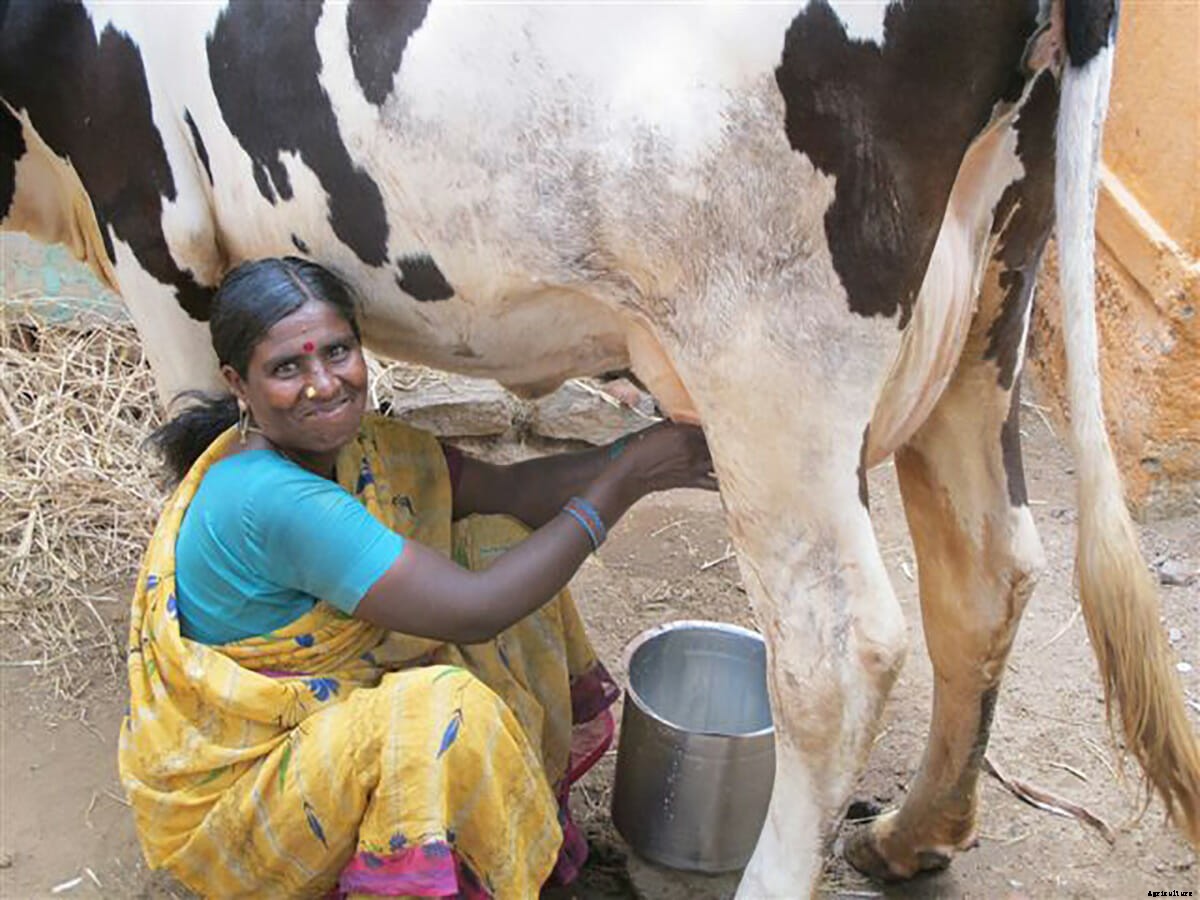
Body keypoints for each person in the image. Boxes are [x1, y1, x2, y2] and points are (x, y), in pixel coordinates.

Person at [118, 256, 717, 898]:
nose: (323, 384)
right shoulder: (269, 499)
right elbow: (476, 610)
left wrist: (638, 451)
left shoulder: (358, 449)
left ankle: (514, 824)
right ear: (238, 383)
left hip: (330, 717)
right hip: (253, 796)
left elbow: (508, 492)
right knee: (440, 713)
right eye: (287, 368)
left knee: (496, 542)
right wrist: (628, 482)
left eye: (338, 352)